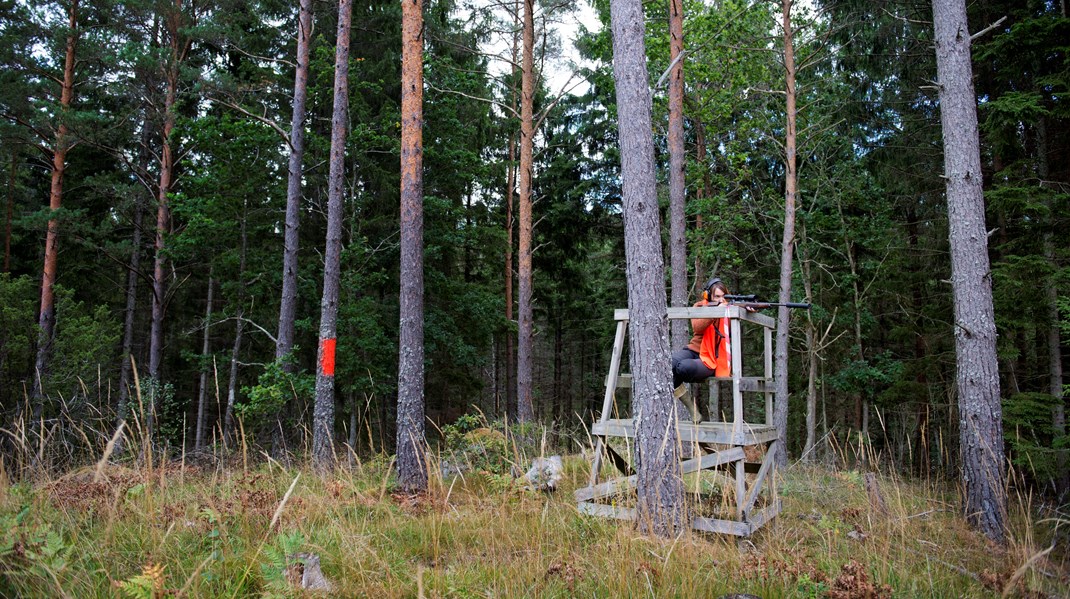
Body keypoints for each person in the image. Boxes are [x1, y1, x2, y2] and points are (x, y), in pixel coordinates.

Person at [671, 277, 732, 390]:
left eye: (724, 296)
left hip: (711, 358)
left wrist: (749, 308)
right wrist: (716, 312)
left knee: (683, 368)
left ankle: (677, 396)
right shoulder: (699, 306)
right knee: (670, 363)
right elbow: (697, 327)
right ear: (708, 295)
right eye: (717, 296)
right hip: (694, 350)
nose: (721, 300)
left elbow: (742, 308)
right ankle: (667, 399)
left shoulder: (729, 310)